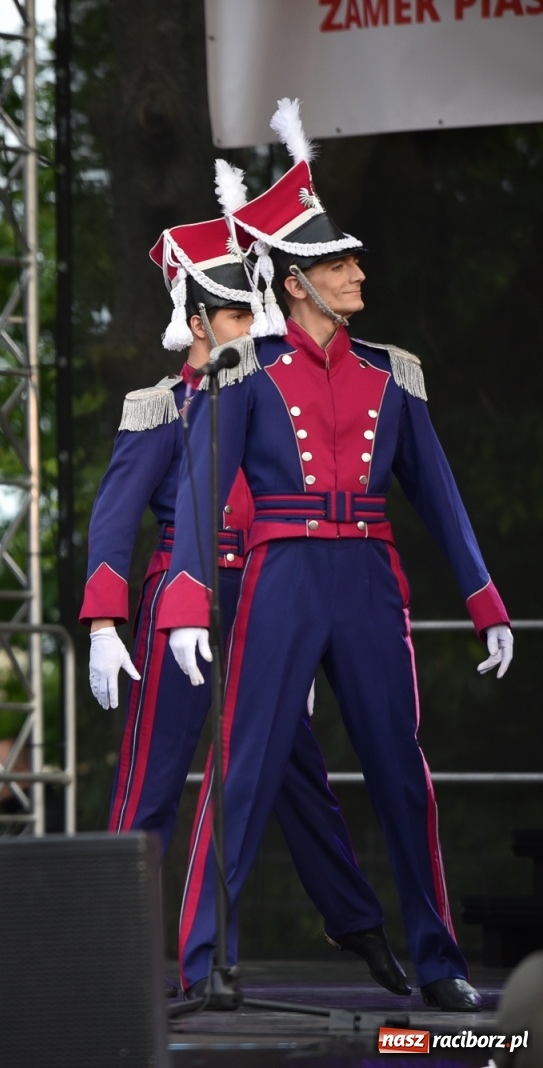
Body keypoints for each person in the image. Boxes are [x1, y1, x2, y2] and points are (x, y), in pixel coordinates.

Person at [158, 100, 513, 1012]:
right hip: (280, 574)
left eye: (351, 260)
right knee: (243, 770)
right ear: (295, 283)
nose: (357, 273)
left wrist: (484, 600)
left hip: (367, 578)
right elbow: (202, 494)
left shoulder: (392, 372)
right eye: (337, 264)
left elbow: (439, 496)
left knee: (401, 771)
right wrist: (187, 602)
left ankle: (438, 961)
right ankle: (204, 962)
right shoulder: (245, 369)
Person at [82, 170, 405, 996]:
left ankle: (357, 923)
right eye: (234, 314)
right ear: (196, 323)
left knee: (300, 781)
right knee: (151, 782)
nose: (251, 326)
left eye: (254, 312)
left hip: (266, 596)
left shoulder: (271, 385)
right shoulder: (163, 405)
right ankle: (108, 951)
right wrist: (105, 623)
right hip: (182, 601)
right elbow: (115, 520)